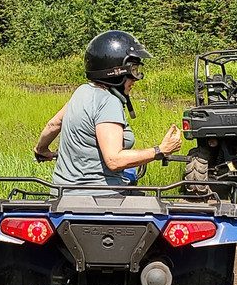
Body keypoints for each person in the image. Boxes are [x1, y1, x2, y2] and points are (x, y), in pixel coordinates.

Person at [33, 30, 182, 188]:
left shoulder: (81, 92)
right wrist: (161, 150)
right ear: (116, 72)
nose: (136, 79)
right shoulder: (108, 101)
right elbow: (114, 160)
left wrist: (41, 149)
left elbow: (53, 124)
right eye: (133, 71)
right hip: (99, 196)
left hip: (62, 193)